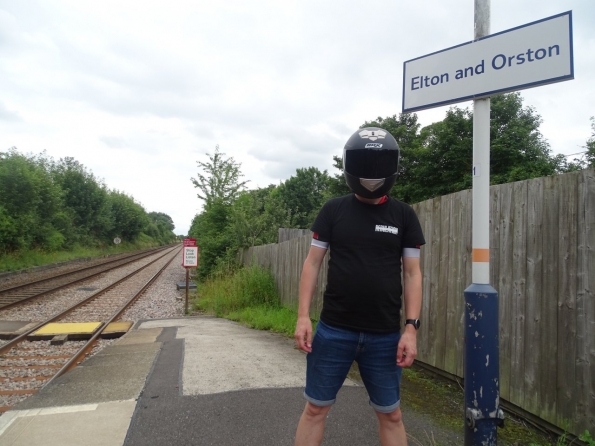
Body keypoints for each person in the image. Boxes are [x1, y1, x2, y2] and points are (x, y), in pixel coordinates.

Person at [294, 127, 425, 446]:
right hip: (334, 330)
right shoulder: (333, 210)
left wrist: (411, 329)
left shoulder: (404, 215)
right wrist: (302, 316)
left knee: (392, 415)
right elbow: (312, 263)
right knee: (315, 409)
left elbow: (412, 273)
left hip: (384, 336)